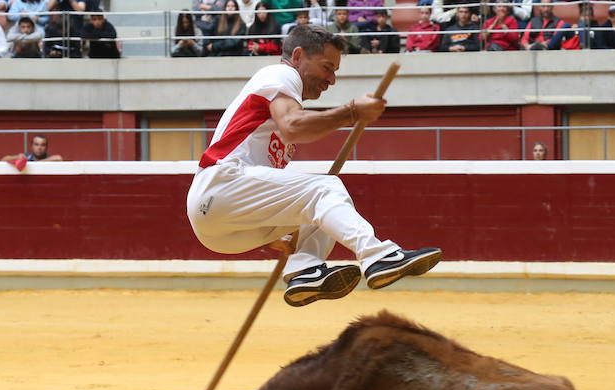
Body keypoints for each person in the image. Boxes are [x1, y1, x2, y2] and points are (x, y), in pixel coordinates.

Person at [185, 24, 440, 307]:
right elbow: (293, 128)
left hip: (223, 225)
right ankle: (378, 256)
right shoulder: (281, 74)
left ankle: (305, 270)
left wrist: (277, 234)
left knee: (319, 208)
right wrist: (352, 112)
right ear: (297, 56)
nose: (331, 80)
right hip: (221, 187)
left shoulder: (279, 91)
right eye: (327, 67)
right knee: (326, 187)